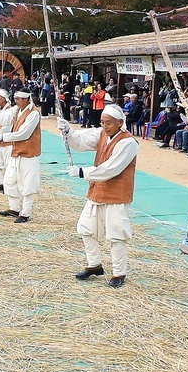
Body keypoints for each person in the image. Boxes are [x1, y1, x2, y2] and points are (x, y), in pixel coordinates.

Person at [59, 103, 139, 288]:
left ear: (120, 122)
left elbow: (111, 169)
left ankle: (119, 273)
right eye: (102, 122)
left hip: (117, 196)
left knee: (116, 235)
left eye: (108, 122)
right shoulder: (102, 133)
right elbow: (81, 142)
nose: (104, 126)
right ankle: (94, 265)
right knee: (85, 228)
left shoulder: (128, 143)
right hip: (98, 192)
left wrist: (82, 172)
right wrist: (69, 131)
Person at [0, 89, 43, 223]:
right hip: (16, 152)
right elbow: (1, 118)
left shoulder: (34, 114)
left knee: (28, 184)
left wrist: (3, 137)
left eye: (18, 99)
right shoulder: (17, 110)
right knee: (10, 181)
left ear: (25, 99)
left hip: (29, 154)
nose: (15, 101)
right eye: (15, 99)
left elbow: (24, 134)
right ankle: (14, 209)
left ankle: (25, 214)